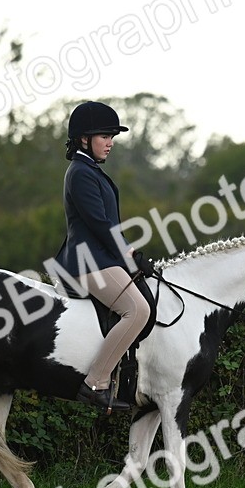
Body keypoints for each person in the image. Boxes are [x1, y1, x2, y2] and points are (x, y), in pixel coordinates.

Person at [53, 101, 155, 412]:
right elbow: (100, 224)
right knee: (137, 310)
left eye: (112, 137)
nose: (110, 143)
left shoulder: (90, 170)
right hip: (90, 261)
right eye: (105, 136)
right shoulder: (81, 173)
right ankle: (95, 383)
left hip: (101, 257)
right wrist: (129, 254)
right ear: (84, 139)